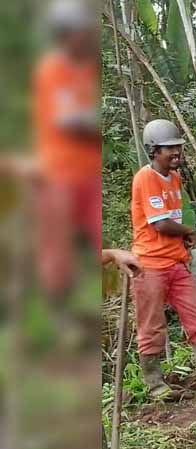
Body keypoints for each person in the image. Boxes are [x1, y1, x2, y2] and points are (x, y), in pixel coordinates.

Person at [130, 119, 196, 396]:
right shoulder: (145, 178)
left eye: (177, 147)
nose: (176, 153)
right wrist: (188, 230)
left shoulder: (174, 178)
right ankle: (156, 386)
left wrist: (183, 238)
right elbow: (160, 224)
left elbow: (170, 221)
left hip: (177, 262)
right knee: (152, 326)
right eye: (168, 148)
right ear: (153, 150)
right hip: (150, 265)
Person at [33, 0, 101, 297]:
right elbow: (68, 120)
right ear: (65, 34)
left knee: (101, 240)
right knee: (57, 249)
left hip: (90, 173)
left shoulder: (86, 70)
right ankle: (54, 313)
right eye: (78, 32)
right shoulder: (52, 69)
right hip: (60, 172)